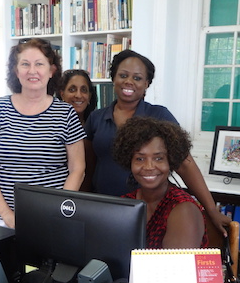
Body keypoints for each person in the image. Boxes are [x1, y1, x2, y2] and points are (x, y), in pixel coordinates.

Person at [83, 49, 229, 235]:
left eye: (137, 78)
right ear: (114, 79)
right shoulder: (96, 118)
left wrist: (211, 209)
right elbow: (88, 169)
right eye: (123, 75)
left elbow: (185, 164)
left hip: (146, 211)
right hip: (103, 208)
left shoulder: (159, 115)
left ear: (147, 84)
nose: (129, 81)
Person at [0, 38, 86, 228]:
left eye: (39, 64)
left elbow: (78, 169)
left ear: (51, 71)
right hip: (7, 220)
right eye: (25, 64)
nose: (32, 71)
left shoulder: (66, 114)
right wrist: (7, 214)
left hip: (54, 220)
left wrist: (59, 211)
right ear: (16, 71)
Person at [113, 116, 208, 249]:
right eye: (140, 159)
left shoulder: (183, 209)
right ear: (129, 161)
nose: (149, 166)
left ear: (171, 161)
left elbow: (175, 269)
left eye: (158, 158)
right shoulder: (127, 202)